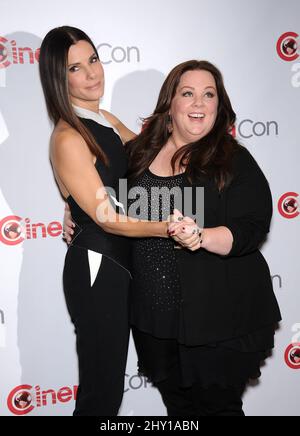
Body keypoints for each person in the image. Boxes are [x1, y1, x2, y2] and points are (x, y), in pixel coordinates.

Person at [64, 59, 281, 416]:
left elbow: (251, 229)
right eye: (188, 93)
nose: (199, 103)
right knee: (179, 412)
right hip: (154, 324)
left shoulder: (233, 160)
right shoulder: (135, 157)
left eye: (208, 94)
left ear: (218, 106)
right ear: (170, 104)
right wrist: (76, 209)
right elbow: (100, 192)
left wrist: (202, 237)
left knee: (216, 410)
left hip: (217, 322)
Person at [39, 26, 198, 417]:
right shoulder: (67, 137)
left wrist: (189, 113)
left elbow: (146, 160)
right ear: (59, 80)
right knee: (102, 393)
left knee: (116, 390)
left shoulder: (103, 118)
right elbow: (107, 218)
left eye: (93, 59)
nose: (92, 74)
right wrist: (167, 228)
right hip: (98, 266)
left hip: (124, 263)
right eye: (76, 68)